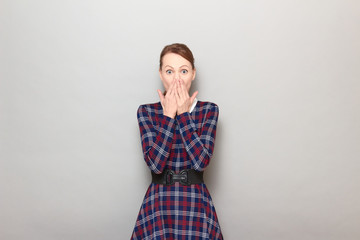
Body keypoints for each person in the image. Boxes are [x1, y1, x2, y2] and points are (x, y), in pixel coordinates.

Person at [131, 43, 223, 239]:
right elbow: (155, 165)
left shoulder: (209, 110)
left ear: (193, 74)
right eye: (169, 71)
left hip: (195, 203)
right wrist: (168, 116)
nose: (177, 79)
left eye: (183, 71)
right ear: (161, 74)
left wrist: (183, 114)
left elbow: (201, 162)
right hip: (159, 205)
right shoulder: (146, 112)